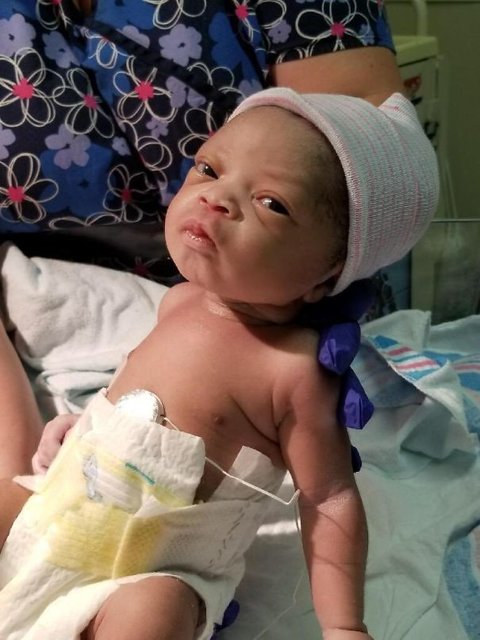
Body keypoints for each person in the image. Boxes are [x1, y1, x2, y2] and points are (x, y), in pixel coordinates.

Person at [0, 86, 438, 639]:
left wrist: (343, 625)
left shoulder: (293, 372)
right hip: (59, 510)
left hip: (151, 569)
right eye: (209, 169)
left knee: (153, 611)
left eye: (272, 202)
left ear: (329, 275)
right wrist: (78, 432)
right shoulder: (178, 301)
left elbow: (329, 496)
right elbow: (138, 402)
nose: (217, 198)